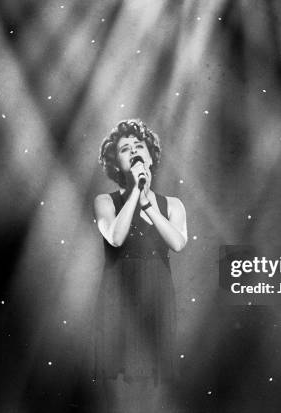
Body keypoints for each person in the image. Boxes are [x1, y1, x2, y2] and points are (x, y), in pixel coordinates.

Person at [93, 119, 187, 412]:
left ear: (150, 156)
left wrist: (149, 206)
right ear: (115, 162)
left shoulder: (173, 204)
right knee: (121, 378)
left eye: (138, 146)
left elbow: (178, 243)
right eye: (125, 149)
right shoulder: (104, 202)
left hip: (157, 289)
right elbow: (116, 237)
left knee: (155, 379)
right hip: (120, 292)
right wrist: (135, 191)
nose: (133, 151)